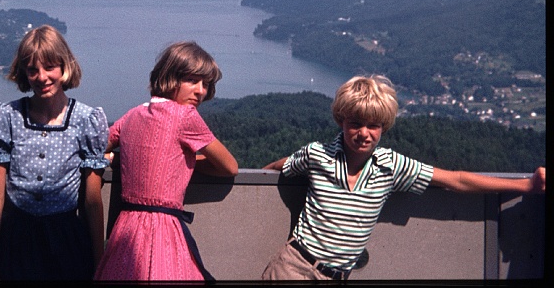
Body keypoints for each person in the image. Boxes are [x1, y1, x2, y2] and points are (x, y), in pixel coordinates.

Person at [261, 74, 546, 281]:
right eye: (355, 124)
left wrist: (526, 185)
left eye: (373, 126)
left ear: (384, 127)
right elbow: (283, 165)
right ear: (340, 121)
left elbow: (456, 179)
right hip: (293, 267)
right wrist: (262, 172)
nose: (364, 133)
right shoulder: (317, 155)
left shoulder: (391, 165)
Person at [94, 41, 239, 282]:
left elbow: (98, 146)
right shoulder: (186, 116)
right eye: (192, 81)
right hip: (163, 231)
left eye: (205, 84)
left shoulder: (132, 114)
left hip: (125, 230)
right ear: (170, 77)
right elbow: (229, 167)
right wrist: (189, 161)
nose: (201, 91)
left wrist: (120, 158)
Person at [0, 25, 109, 281]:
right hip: (17, 240)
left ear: (64, 67)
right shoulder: (8, 117)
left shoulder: (86, 120)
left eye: (50, 67)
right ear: (24, 73)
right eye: (32, 70)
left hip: (68, 242)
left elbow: (92, 201)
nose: (41, 77)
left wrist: (100, 263)